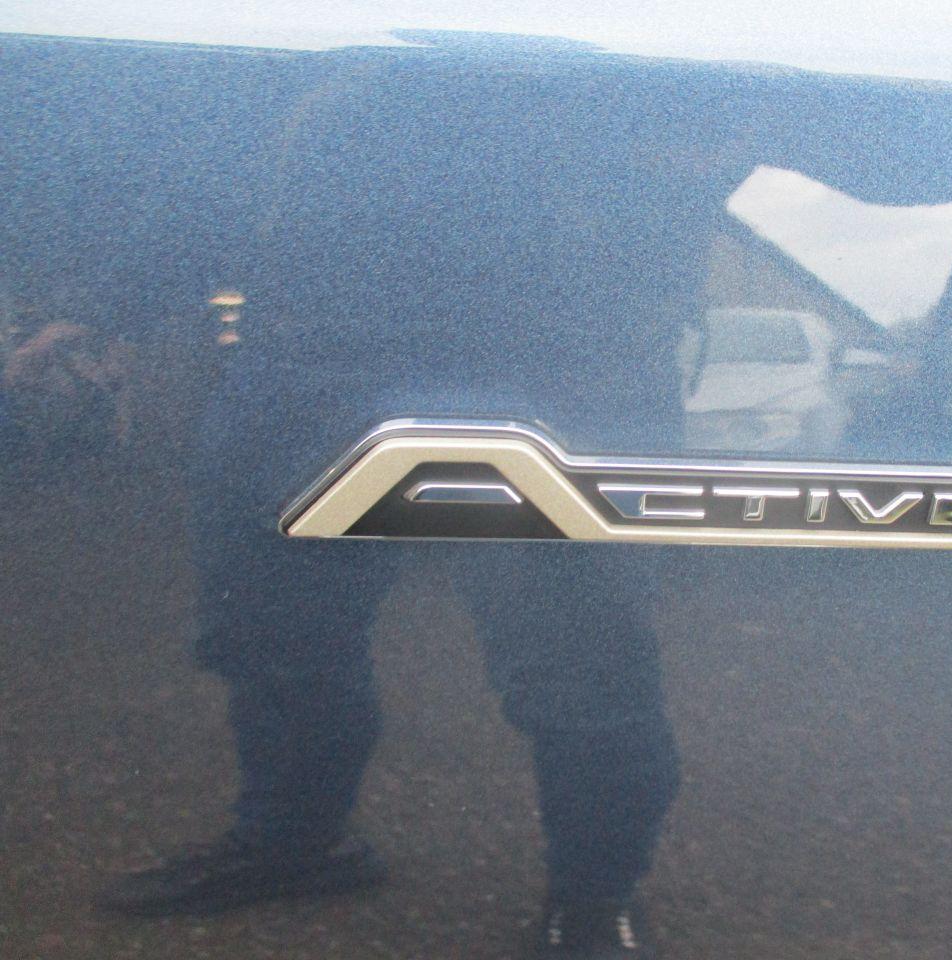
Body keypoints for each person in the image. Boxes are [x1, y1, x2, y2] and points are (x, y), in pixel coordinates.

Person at [94, 43, 749, 960]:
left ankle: (595, 899)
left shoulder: (642, 48)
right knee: (272, 636)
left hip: (565, 373)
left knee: (582, 664)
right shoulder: (302, 51)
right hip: (304, 358)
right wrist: (109, 305)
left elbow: (890, 145)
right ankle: (296, 841)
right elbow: (205, 141)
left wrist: (717, 117)